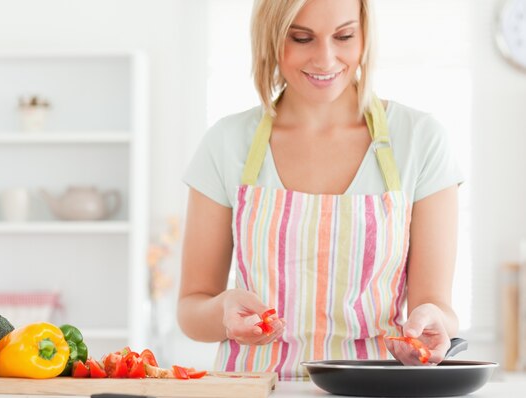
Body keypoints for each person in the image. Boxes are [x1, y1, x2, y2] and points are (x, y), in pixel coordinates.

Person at [178, 0, 463, 380]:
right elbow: (191, 309)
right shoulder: (226, 143)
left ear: (364, 35)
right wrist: (224, 312)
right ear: (271, 38)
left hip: (372, 388)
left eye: (344, 36)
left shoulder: (420, 140)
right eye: (301, 38)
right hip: (254, 388)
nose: (326, 59)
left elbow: (438, 305)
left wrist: (432, 320)